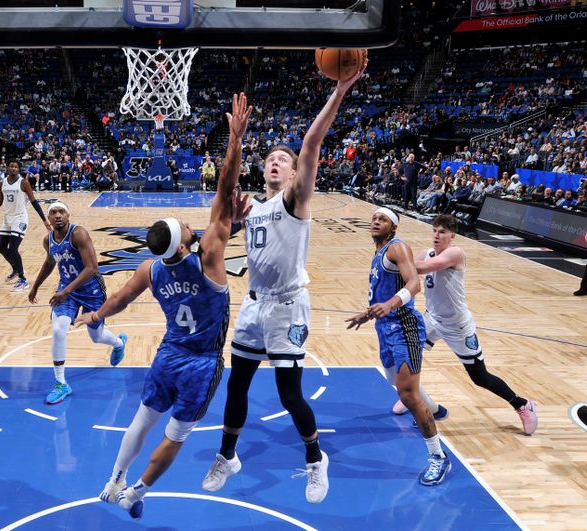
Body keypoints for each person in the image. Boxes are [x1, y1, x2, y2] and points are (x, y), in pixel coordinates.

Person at [73, 93, 252, 520]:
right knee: (175, 435)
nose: (191, 223)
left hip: (167, 356)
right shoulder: (209, 256)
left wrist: (97, 315)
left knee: (143, 419)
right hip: (200, 363)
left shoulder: (152, 270)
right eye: (187, 225)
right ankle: (135, 492)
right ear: (187, 240)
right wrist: (234, 141)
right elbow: (226, 185)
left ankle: (115, 476)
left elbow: (116, 298)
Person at [202, 60, 367, 504]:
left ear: (295, 174)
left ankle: (316, 459)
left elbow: (311, 145)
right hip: (255, 305)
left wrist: (340, 90)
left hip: (289, 305)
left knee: (289, 393)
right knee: (236, 384)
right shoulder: (252, 207)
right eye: (271, 158)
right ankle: (228, 455)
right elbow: (223, 232)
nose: (276, 162)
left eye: (284, 160)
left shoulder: (296, 202)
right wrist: (234, 223)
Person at [395, 214, 539, 434]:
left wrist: (395, 256)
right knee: (408, 357)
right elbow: (413, 273)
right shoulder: (426, 253)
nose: (436, 235)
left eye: (442, 231)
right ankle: (413, 398)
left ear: (452, 235)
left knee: (479, 377)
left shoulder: (455, 253)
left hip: (457, 325)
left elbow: (422, 268)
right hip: (432, 318)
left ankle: (522, 404)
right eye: (434, 230)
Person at [345, 207, 451, 486]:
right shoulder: (378, 253)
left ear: (393, 227)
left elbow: (414, 283)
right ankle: (433, 410)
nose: (376, 222)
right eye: (374, 218)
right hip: (385, 328)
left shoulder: (397, 247)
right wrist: (366, 314)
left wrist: (390, 305)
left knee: (408, 395)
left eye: (383, 219)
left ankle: (438, 457)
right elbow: (382, 295)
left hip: (404, 327)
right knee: (399, 387)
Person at [28, 200, 128, 405]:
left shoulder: (78, 234)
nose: (57, 215)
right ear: (48, 218)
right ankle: (61, 383)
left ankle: (118, 343)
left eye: (61, 212)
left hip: (91, 289)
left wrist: (65, 290)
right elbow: (50, 262)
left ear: (68, 215)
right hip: (67, 291)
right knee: (59, 329)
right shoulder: (48, 240)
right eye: (53, 212)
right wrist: (36, 286)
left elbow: (92, 267)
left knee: (96, 336)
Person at [0, 160, 50, 292]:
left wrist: (44, 220)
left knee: (13, 248)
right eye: (11, 166)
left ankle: (23, 279)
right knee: (1, 248)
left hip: (20, 218)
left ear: (19, 169)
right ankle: (15, 268)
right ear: (8, 168)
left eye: (16, 167)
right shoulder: (2, 183)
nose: (13, 168)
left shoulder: (23, 183)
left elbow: (34, 202)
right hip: (7, 219)